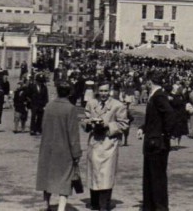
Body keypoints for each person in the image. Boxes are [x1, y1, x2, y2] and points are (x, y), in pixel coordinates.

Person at [83, 83, 129, 211]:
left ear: (110, 91)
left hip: (109, 143)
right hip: (94, 142)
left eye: (106, 91)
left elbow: (124, 125)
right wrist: (89, 124)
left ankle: (104, 205)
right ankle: (94, 203)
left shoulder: (118, 105)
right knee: (94, 173)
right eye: (101, 91)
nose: (103, 94)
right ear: (97, 91)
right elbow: (85, 119)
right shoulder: (91, 103)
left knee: (106, 174)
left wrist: (107, 125)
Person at [36, 83, 82, 211]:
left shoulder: (49, 106)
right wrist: (76, 153)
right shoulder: (71, 109)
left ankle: (46, 204)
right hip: (64, 150)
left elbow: (43, 127)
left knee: (47, 177)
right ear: (70, 93)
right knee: (65, 179)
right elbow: (73, 134)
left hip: (47, 148)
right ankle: (61, 208)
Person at [138, 71, 175, 211]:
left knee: (157, 178)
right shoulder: (156, 95)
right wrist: (144, 128)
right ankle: (150, 206)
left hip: (157, 144)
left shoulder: (159, 96)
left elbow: (169, 115)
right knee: (150, 177)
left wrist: (163, 134)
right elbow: (155, 119)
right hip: (153, 141)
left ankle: (159, 208)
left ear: (149, 82)